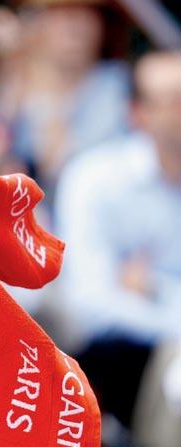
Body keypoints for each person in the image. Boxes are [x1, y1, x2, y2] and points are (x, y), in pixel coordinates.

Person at [54, 51, 181, 444]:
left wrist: (157, 290)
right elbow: (90, 303)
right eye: (173, 101)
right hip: (121, 357)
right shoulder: (96, 179)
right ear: (137, 113)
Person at [0, 0, 131, 215]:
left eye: (86, 14)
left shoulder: (115, 83)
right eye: (61, 15)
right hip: (32, 227)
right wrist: (12, 66)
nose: (75, 27)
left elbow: (59, 165)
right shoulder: (18, 75)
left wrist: (23, 62)